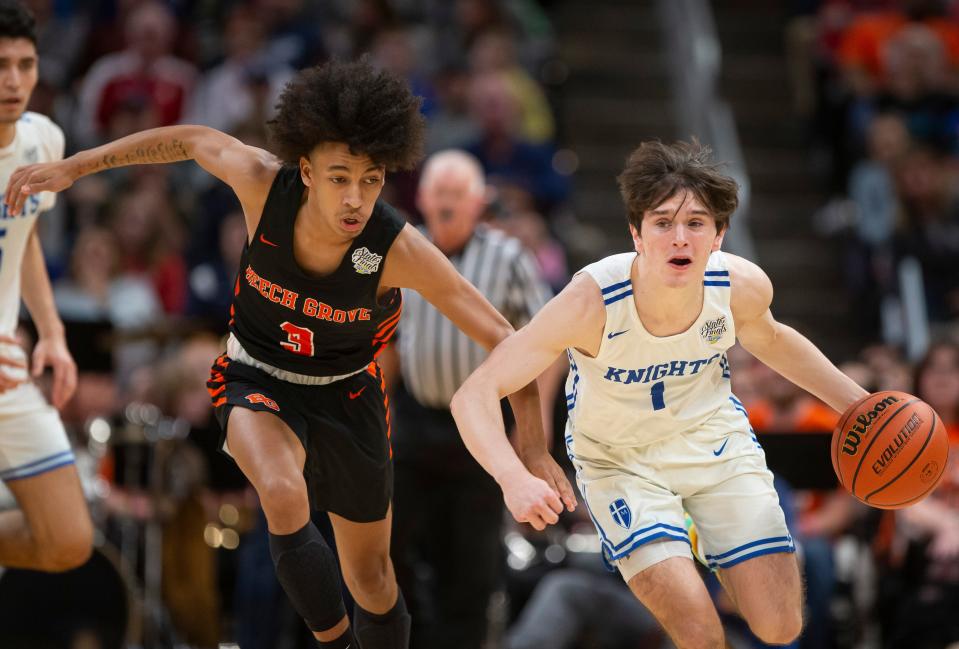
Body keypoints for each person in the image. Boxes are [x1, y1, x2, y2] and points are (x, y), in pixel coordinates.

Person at [6, 58, 574, 649]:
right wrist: (76, 166)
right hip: (258, 375)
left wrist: (531, 444)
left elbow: (508, 341)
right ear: (305, 171)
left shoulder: (395, 246)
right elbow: (189, 139)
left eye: (371, 179)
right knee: (280, 490)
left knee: (374, 581)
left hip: (349, 393)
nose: (355, 198)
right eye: (338, 177)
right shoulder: (260, 184)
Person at [450, 140, 870, 648]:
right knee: (698, 630)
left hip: (713, 443)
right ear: (637, 234)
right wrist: (514, 474)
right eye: (663, 222)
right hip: (622, 463)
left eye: (696, 223)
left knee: (780, 626)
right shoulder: (591, 300)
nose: (680, 238)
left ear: (719, 235)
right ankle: (679, 540)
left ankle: (707, 534)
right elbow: (474, 394)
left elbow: (775, 339)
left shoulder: (739, 287)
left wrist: (861, 405)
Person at [383, 149, 558, 649]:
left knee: (472, 565)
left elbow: (546, 349)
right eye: (438, 191)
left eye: (457, 194)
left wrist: (529, 438)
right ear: (422, 196)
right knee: (389, 552)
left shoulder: (509, 258)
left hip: (481, 431)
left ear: (479, 202)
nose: (446, 202)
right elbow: (390, 344)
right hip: (413, 422)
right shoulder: (402, 248)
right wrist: (376, 416)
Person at [0, 0, 92, 572]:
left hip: (8, 370)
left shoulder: (43, 140)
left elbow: (23, 233)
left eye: (25, 65)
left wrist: (53, 333)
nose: (13, 81)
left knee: (67, 541)